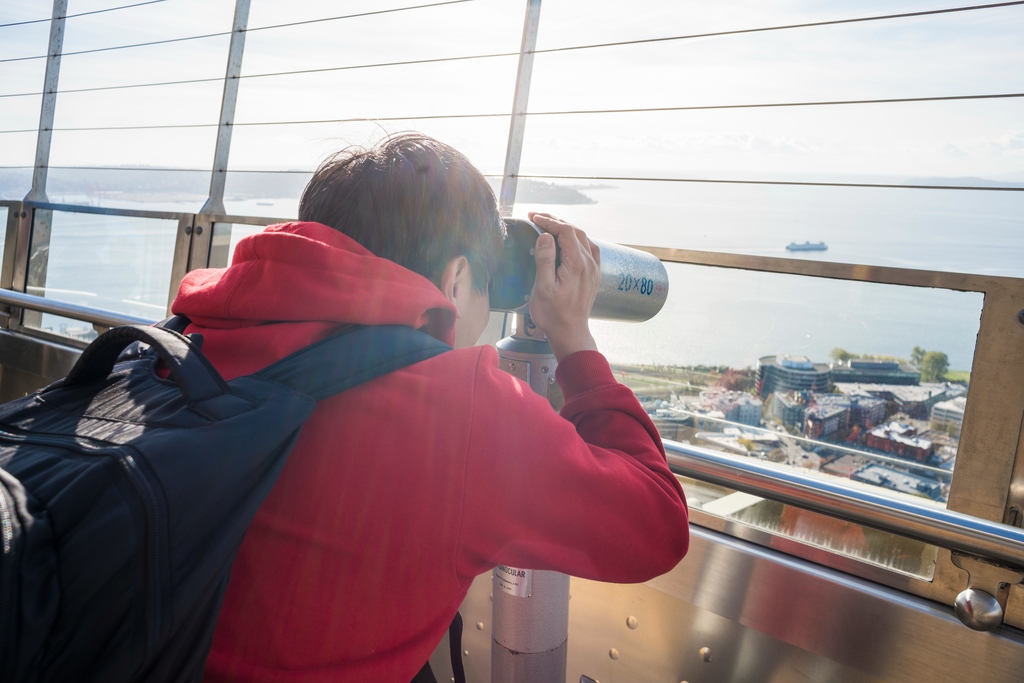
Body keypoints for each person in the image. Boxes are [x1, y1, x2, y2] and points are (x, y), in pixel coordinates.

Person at [171, 133, 689, 683]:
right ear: (457, 278)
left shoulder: (181, 338)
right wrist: (574, 338)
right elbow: (655, 525)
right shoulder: (455, 409)